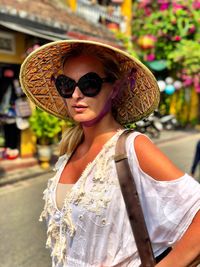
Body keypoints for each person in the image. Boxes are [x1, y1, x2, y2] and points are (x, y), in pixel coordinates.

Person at [19, 40, 200, 267]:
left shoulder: (132, 148)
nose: (76, 95)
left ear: (114, 89)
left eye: (90, 83)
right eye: (66, 84)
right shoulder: (68, 153)